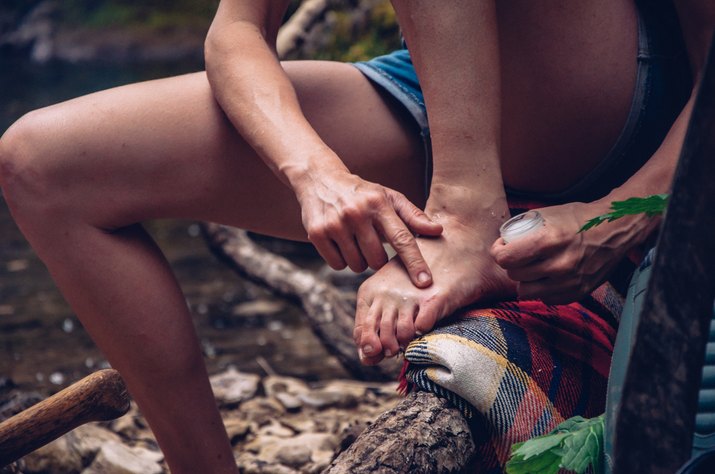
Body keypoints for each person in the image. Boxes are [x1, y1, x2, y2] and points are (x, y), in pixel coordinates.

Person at [0, 0, 711, 472]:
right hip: (439, 99)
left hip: (638, 113)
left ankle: (468, 216)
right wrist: (316, 172)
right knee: (45, 164)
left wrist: (626, 211)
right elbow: (236, 32)